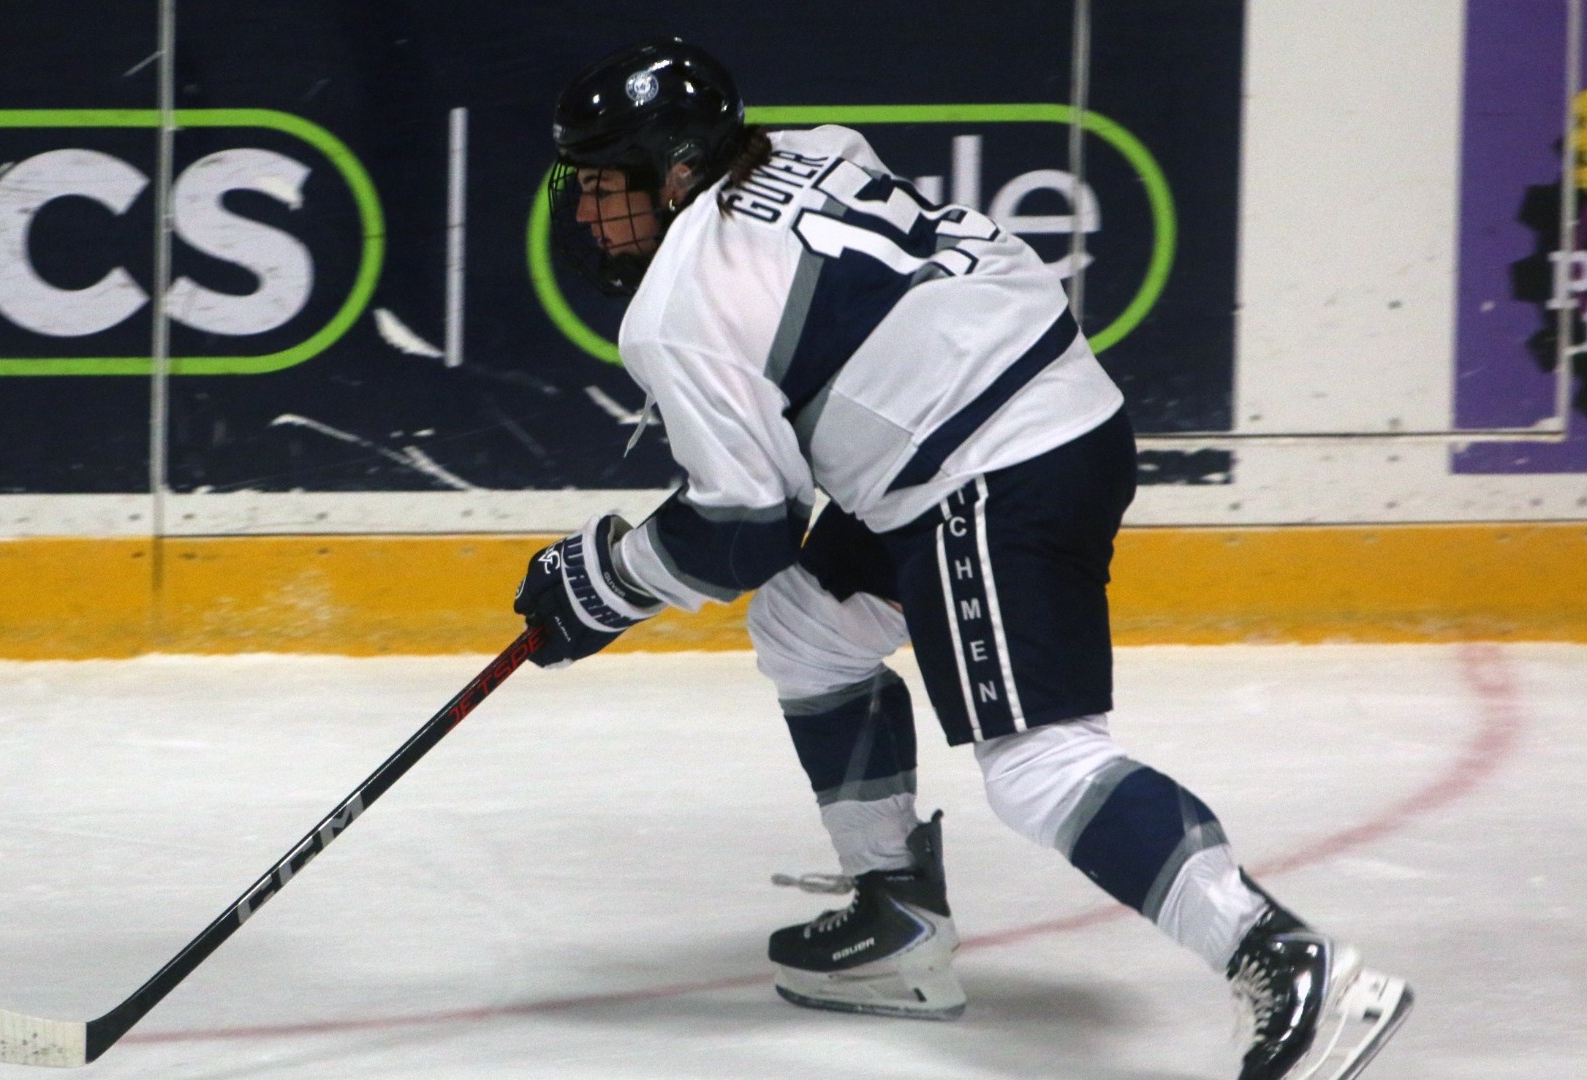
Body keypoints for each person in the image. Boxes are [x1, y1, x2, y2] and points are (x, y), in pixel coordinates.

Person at [511, 35, 1412, 1080]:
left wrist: (603, 577)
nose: (583, 212)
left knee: (1038, 765)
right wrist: (618, 571)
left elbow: (745, 529)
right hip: (1030, 421)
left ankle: (1292, 966)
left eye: (602, 184)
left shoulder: (677, 306)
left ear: (675, 173)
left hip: (987, 468)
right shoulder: (810, 150)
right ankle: (896, 925)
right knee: (807, 627)